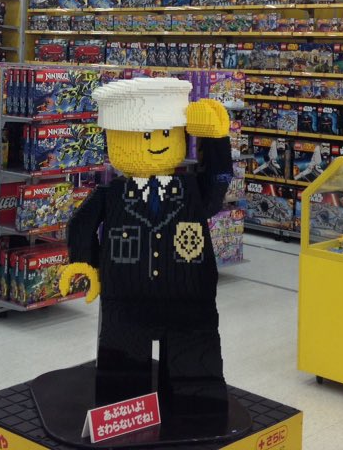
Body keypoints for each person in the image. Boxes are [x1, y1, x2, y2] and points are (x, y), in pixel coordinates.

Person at [60, 78, 232, 416]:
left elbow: (219, 184)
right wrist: (85, 263)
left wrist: (215, 141)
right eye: (144, 135)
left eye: (166, 132)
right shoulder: (111, 195)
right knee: (122, 373)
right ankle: (123, 414)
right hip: (126, 300)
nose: (156, 143)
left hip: (189, 299)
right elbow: (80, 225)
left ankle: (197, 411)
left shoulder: (192, 191)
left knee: (194, 369)